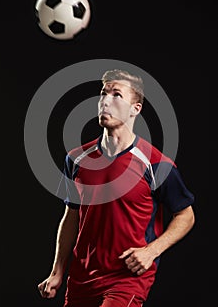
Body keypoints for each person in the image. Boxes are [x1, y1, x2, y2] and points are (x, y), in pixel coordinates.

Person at [38, 69, 195, 306]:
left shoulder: (154, 163)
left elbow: (186, 215)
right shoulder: (76, 159)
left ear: (136, 109)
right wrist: (57, 270)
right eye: (103, 93)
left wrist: (151, 251)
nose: (105, 100)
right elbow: (71, 217)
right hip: (82, 278)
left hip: (126, 278)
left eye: (117, 95)